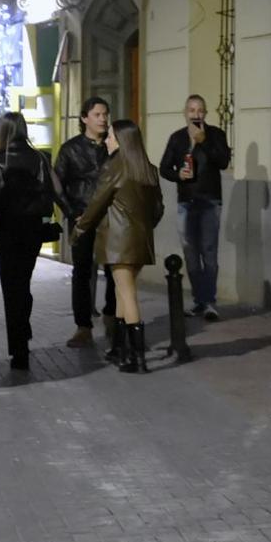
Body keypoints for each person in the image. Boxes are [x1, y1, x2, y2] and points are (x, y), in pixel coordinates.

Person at [74, 120, 164, 373]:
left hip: (119, 241)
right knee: (125, 292)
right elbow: (158, 209)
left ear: (123, 140)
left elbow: (97, 202)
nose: (107, 139)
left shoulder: (116, 166)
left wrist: (80, 229)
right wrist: (143, 229)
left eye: (111, 135)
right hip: (140, 240)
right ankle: (121, 350)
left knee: (126, 294)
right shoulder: (147, 169)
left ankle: (137, 358)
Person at [0, 112, 58, 371]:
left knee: (11, 288)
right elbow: (54, 191)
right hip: (32, 227)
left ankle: (18, 349)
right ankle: (24, 329)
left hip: (8, 227)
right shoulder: (39, 158)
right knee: (24, 282)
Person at [159, 95, 231, 321]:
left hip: (210, 201)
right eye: (192, 110)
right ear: (185, 113)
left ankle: (209, 302)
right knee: (190, 254)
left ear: (205, 113)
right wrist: (177, 174)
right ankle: (199, 301)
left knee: (209, 252)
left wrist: (204, 142)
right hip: (186, 202)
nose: (196, 114)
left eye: (200, 110)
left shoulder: (216, 135)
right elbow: (164, 168)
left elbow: (223, 162)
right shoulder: (177, 138)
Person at [54, 96, 116, 348]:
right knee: (81, 270)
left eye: (105, 114)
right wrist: (71, 212)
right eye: (97, 114)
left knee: (113, 268)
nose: (102, 119)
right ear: (84, 118)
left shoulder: (112, 147)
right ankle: (83, 325)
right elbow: (57, 185)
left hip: (110, 218)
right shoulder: (71, 149)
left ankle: (113, 316)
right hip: (81, 216)